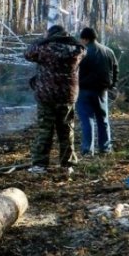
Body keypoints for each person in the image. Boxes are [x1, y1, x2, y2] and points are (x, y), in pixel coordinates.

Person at [24, 25, 86, 171]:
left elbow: (27, 53)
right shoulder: (77, 50)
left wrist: (42, 40)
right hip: (67, 96)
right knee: (66, 131)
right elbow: (83, 49)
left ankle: (40, 164)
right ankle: (68, 164)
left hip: (46, 96)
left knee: (45, 131)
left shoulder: (44, 49)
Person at [77, 27, 118, 156]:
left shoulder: (82, 52)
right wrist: (113, 85)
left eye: (81, 39)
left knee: (87, 120)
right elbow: (115, 69)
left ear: (85, 39)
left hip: (84, 90)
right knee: (103, 119)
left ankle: (87, 150)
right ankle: (105, 148)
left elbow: (74, 71)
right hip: (102, 91)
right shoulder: (108, 51)